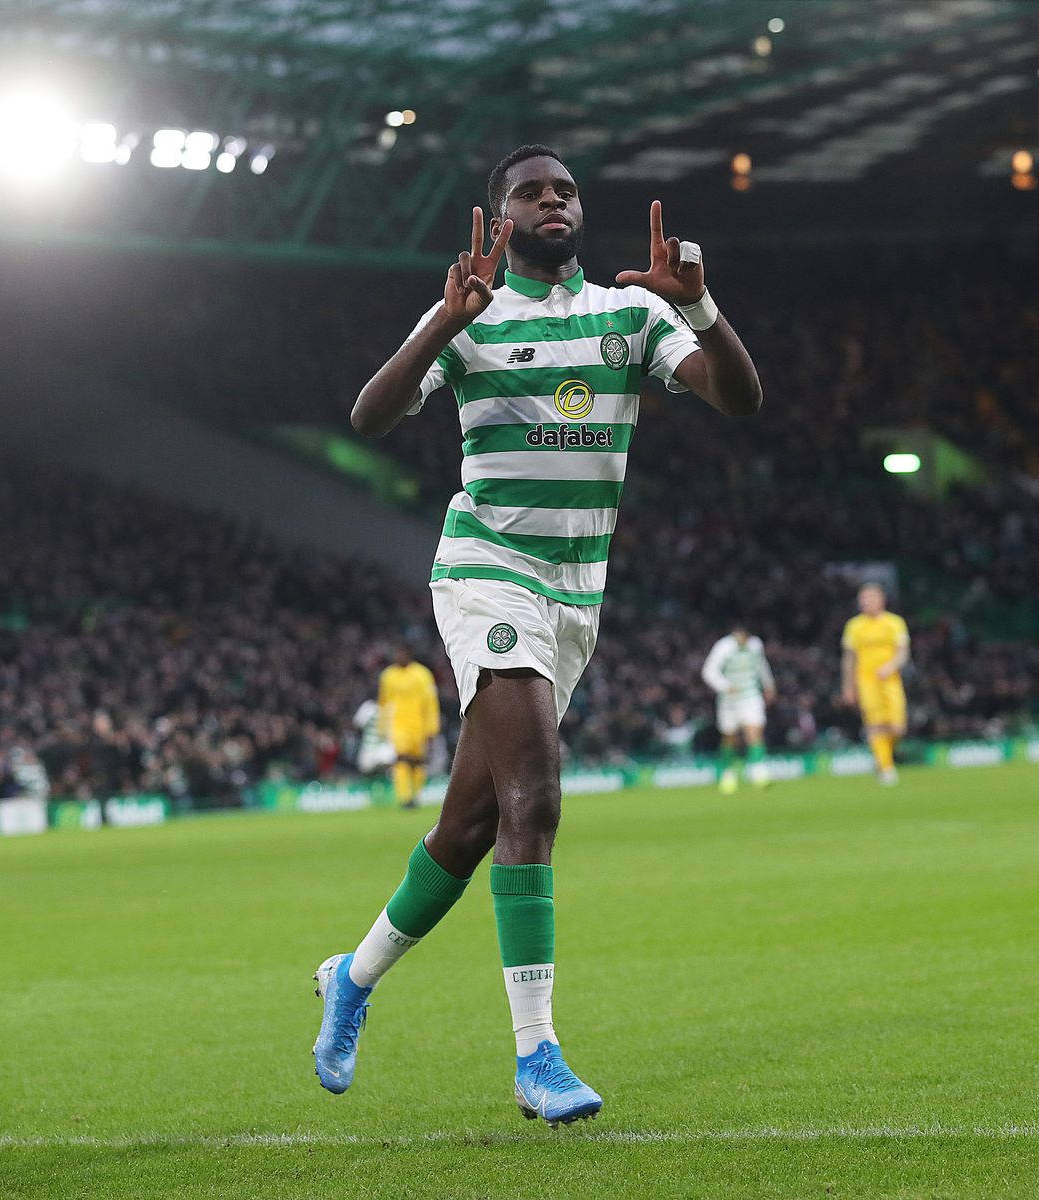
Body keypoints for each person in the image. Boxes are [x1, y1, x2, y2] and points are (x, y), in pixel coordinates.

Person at [313, 143, 761, 1126]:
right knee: (538, 795)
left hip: (576, 595)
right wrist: (442, 323)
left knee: (472, 824)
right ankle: (538, 1054)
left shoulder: (631, 313)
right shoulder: (473, 316)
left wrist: (701, 306)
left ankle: (354, 974)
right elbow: (368, 416)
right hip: (486, 569)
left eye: (564, 190)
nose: (552, 201)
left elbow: (740, 398)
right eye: (530, 192)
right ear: (500, 218)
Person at [841, 583, 910, 784]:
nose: (866, 602)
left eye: (870, 598)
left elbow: (903, 652)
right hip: (866, 682)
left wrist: (890, 666)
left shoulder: (894, 623)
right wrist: (848, 686)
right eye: (863, 599)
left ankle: (883, 756)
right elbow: (849, 659)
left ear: (881, 600)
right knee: (875, 724)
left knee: (898, 727)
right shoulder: (854, 626)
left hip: (891, 680)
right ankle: (886, 766)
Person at [701, 625, 776, 793]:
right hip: (729, 700)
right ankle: (728, 773)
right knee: (729, 737)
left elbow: (761, 665)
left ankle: (758, 771)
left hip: (750, 695)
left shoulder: (755, 645)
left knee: (754, 730)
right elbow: (708, 671)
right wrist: (725, 686)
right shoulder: (723, 647)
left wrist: (769, 685)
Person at [377, 647, 441, 808]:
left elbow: (431, 702)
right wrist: (382, 726)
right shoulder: (388, 676)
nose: (398, 656)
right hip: (398, 725)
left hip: (419, 725)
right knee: (401, 759)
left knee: (418, 763)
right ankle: (405, 797)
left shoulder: (422, 674)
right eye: (396, 653)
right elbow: (384, 702)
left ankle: (416, 795)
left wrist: (432, 727)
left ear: (409, 655)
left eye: (401, 653)